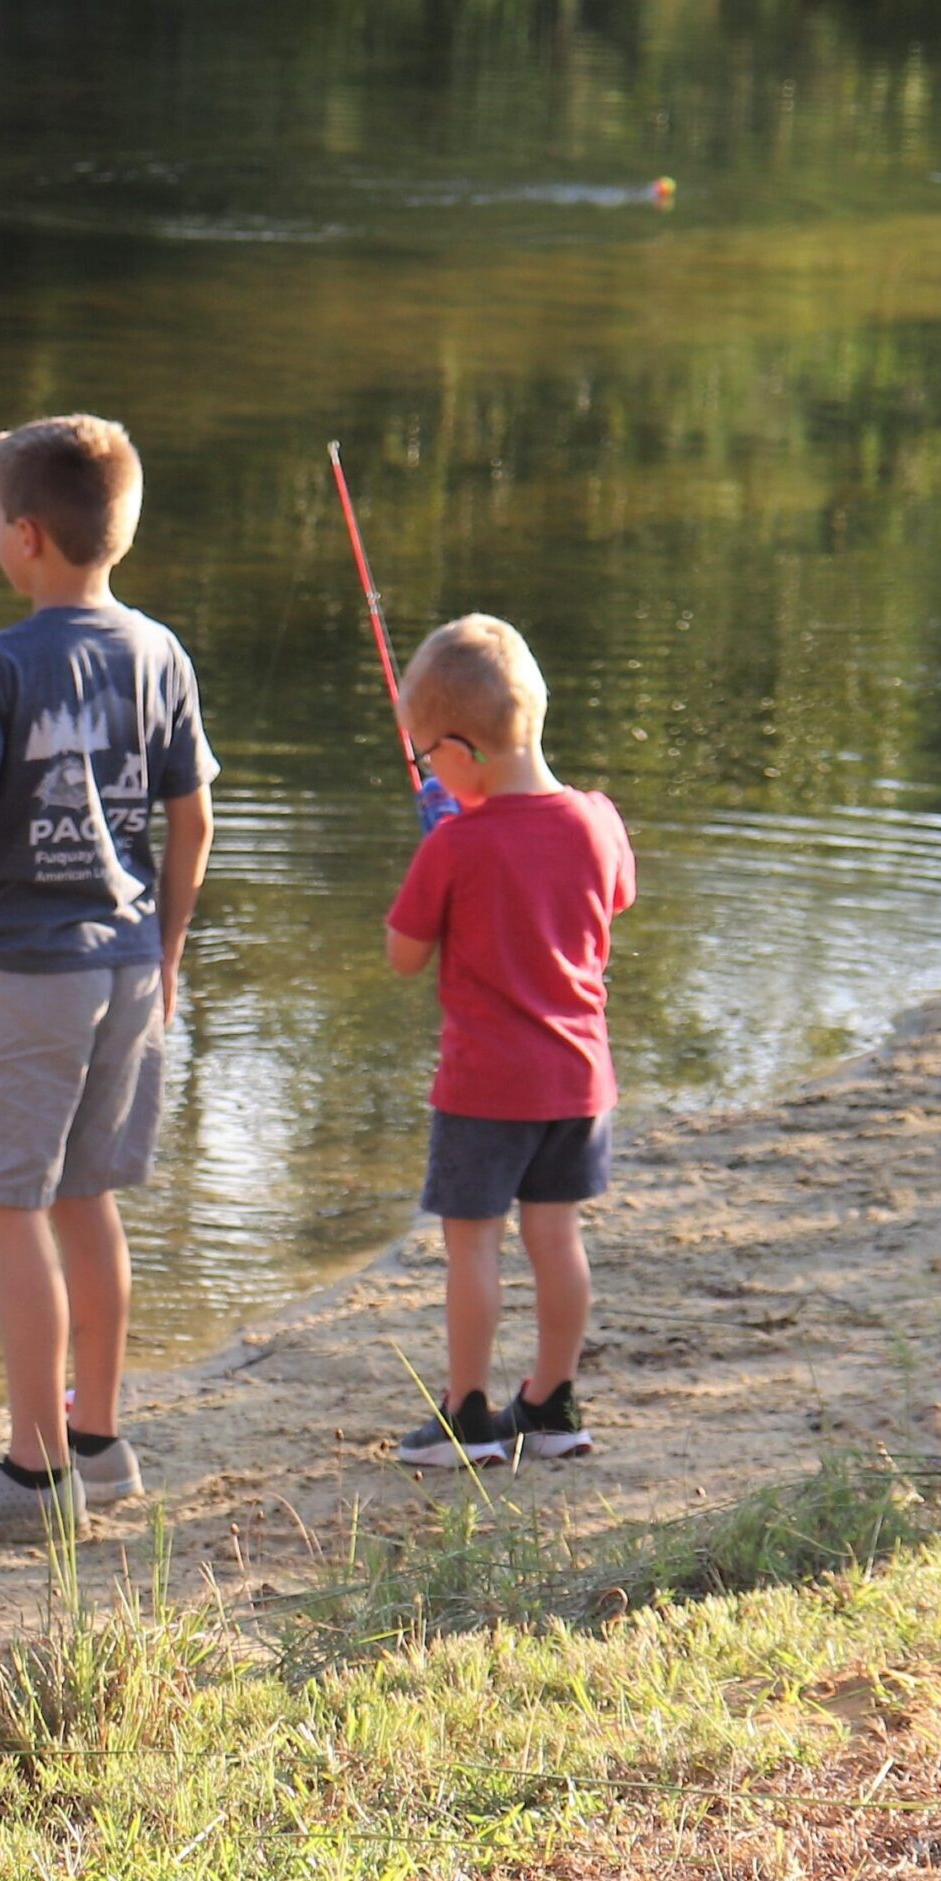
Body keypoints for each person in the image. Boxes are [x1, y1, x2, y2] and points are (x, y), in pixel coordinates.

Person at [0, 414, 216, 1545]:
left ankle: (31, 1475)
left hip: (28, 973)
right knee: (85, 1200)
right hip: (125, 963)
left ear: (22, 537)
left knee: (4, 1204)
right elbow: (191, 817)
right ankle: (98, 1443)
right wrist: (164, 952)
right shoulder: (157, 652)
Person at [382, 614, 634, 1468]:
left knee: (472, 1245)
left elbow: (403, 958)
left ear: (460, 751)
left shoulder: (454, 842)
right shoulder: (598, 820)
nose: (428, 770)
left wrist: (439, 847)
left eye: (426, 755)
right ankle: (552, 1403)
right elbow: (611, 900)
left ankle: (465, 1414)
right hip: (578, 1081)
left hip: (485, 1087)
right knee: (555, 1238)